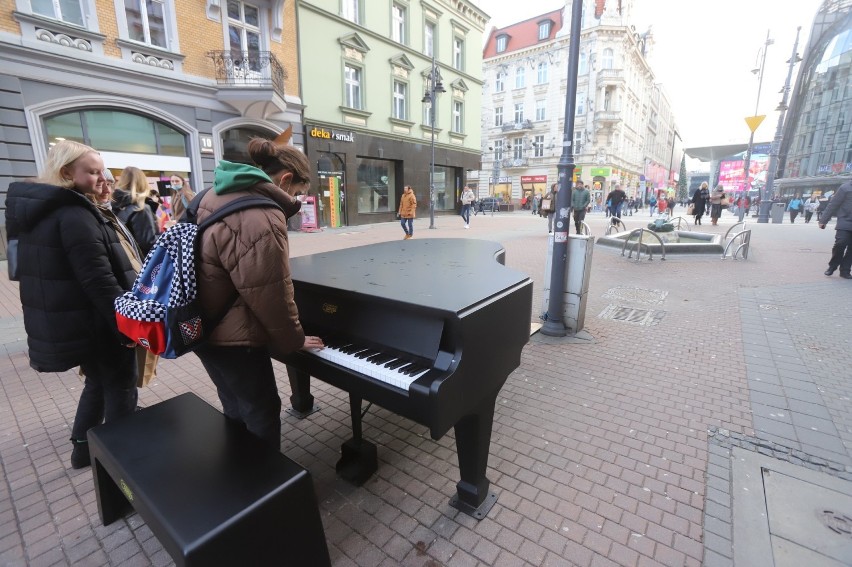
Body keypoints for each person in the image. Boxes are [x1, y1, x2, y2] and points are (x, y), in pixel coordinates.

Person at [5, 141, 139, 469]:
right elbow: (99, 281)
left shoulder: (46, 212)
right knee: (120, 391)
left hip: (81, 323)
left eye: (101, 170)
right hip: (100, 326)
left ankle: (82, 451)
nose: (100, 177)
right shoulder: (76, 214)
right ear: (67, 173)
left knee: (96, 385)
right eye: (92, 172)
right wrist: (126, 326)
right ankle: (122, 468)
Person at [194, 138, 325, 449]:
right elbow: (271, 295)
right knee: (262, 412)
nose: (294, 199)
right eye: (296, 193)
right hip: (235, 339)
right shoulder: (262, 215)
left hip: (201, 324)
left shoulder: (213, 193)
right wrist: (294, 340)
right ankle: (265, 484)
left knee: (234, 404)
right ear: (285, 179)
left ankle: (242, 474)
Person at [113, 166, 159, 256]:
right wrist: (168, 235)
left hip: (127, 258)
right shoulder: (141, 208)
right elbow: (148, 243)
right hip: (144, 262)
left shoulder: (115, 205)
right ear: (143, 182)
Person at [819, 180, 852, 279]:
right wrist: (823, 220)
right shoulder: (845, 188)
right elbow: (833, 204)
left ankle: (845, 270)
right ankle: (833, 266)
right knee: (840, 243)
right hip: (845, 220)